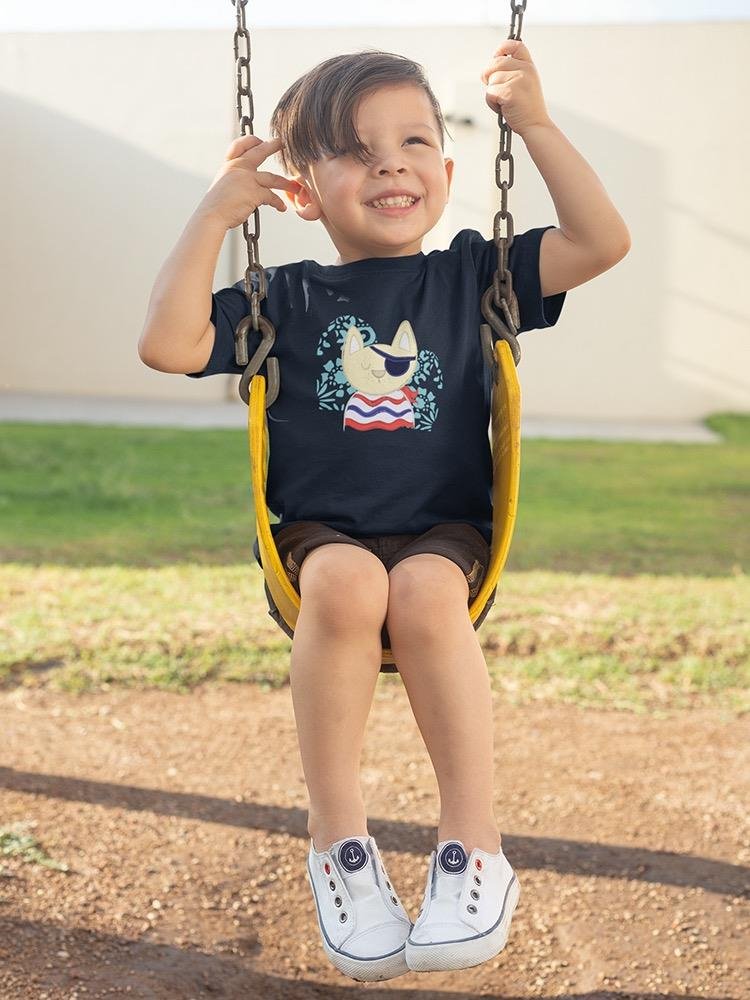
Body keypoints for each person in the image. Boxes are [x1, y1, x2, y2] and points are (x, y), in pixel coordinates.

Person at [138, 38, 630, 982]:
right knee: (348, 581)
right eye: (357, 150)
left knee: (428, 597)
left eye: (412, 140)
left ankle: (472, 848)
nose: (391, 162)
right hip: (317, 535)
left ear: (448, 170)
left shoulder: (470, 278)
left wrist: (532, 123)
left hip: (446, 533)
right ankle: (340, 846)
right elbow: (167, 344)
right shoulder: (278, 295)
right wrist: (213, 211)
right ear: (304, 192)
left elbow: (602, 242)